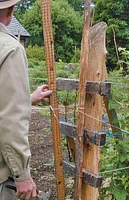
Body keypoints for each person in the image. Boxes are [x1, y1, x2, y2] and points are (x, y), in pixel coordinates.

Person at [0, 0, 52, 199]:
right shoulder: (10, 49)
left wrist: (27, 99)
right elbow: (11, 120)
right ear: (11, 10)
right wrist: (22, 175)